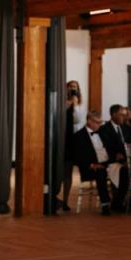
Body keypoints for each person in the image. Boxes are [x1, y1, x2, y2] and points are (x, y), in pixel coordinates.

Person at [72, 110, 114, 215]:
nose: (100, 125)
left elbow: (110, 148)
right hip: (90, 167)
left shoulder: (103, 132)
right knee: (101, 173)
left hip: (106, 163)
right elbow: (77, 156)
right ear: (89, 121)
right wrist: (91, 165)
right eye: (97, 122)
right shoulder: (79, 136)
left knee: (123, 170)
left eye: (101, 122)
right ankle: (105, 204)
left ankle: (119, 203)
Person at [98, 104, 130, 211]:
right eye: (122, 115)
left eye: (125, 115)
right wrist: (116, 156)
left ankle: (127, 199)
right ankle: (117, 203)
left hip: (125, 159)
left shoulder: (125, 128)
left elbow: (129, 144)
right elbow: (105, 146)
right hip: (110, 160)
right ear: (113, 114)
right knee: (124, 171)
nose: (124, 117)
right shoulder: (104, 129)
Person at [61, 79, 86, 211]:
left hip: (72, 139)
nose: (72, 89)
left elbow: (78, 120)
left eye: (75, 87)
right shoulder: (62, 102)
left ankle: (65, 200)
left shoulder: (79, 104)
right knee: (59, 171)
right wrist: (67, 104)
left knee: (67, 172)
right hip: (61, 137)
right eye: (70, 86)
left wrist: (75, 105)